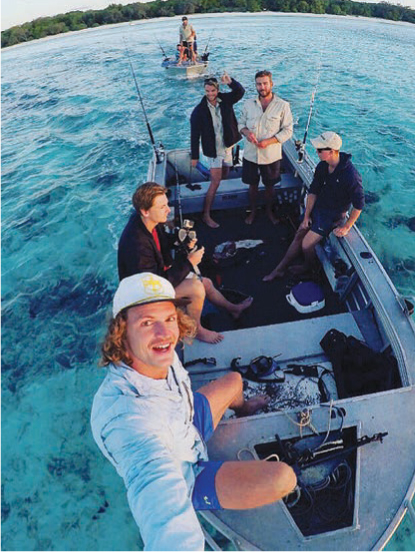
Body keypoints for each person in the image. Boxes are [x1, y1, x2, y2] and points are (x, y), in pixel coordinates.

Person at [91, 273, 296, 551]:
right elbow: (162, 509)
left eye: (169, 318)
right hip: (187, 473)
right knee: (284, 478)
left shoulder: (157, 353)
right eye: (147, 322)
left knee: (235, 382)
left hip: (186, 427)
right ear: (121, 334)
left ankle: (245, 408)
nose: (165, 334)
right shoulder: (127, 421)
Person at [118, 182, 253, 343]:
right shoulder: (136, 245)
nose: (168, 210)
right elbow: (155, 286)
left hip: (157, 281)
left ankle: (233, 309)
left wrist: (180, 241)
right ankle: (196, 330)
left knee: (207, 284)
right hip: (145, 297)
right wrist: (189, 262)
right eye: (162, 207)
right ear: (145, 211)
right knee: (196, 288)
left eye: (166, 204)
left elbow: (163, 242)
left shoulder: (149, 223)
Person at [263, 132, 365, 281]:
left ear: (331, 152)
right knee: (299, 234)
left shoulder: (351, 176)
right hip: (318, 208)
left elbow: (359, 205)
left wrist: (347, 227)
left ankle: (309, 267)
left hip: (331, 217)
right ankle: (279, 269)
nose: (316, 152)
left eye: (319, 150)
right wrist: (306, 216)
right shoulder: (323, 166)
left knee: (306, 245)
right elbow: (313, 191)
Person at [238, 70, 293, 225]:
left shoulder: (283, 105)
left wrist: (269, 142)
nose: (262, 87)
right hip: (250, 155)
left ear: (271, 84)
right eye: (258, 84)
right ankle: (253, 211)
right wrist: (246, 132)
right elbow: (240, 124)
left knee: (270, 187)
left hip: (271, 156)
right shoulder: (248, 104)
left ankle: (269, 211)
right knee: (252, 185)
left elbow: (288, 130)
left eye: (264, 83)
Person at [190, 74, 245, 228]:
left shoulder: (226, 100)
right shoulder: (198, 111)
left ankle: (222, 199)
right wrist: (195, 156)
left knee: (226, 172)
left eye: (213, 91)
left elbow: (240, 92)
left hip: (228, 145)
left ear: (217, 89)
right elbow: (194, 136)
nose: (210, 94)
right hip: (214, 150)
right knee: (215, 181)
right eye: (207, 91)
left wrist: (231, 82)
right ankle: (206, 214)